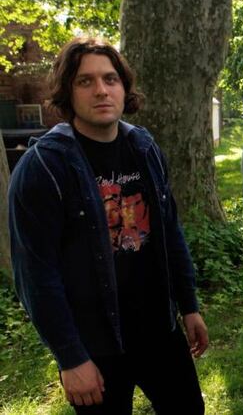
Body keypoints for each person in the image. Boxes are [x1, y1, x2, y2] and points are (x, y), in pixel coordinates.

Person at [9, 38, 208, 414]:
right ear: (68, 91)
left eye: (110, 79)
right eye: (85, 81)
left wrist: (188, 306)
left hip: (159, 331)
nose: (101, 90)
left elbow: (170, 232)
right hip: (94, 345)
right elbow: (35, 273)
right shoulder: (44, 168)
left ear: (124, 87)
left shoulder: (144, 148)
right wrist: (70, 357)